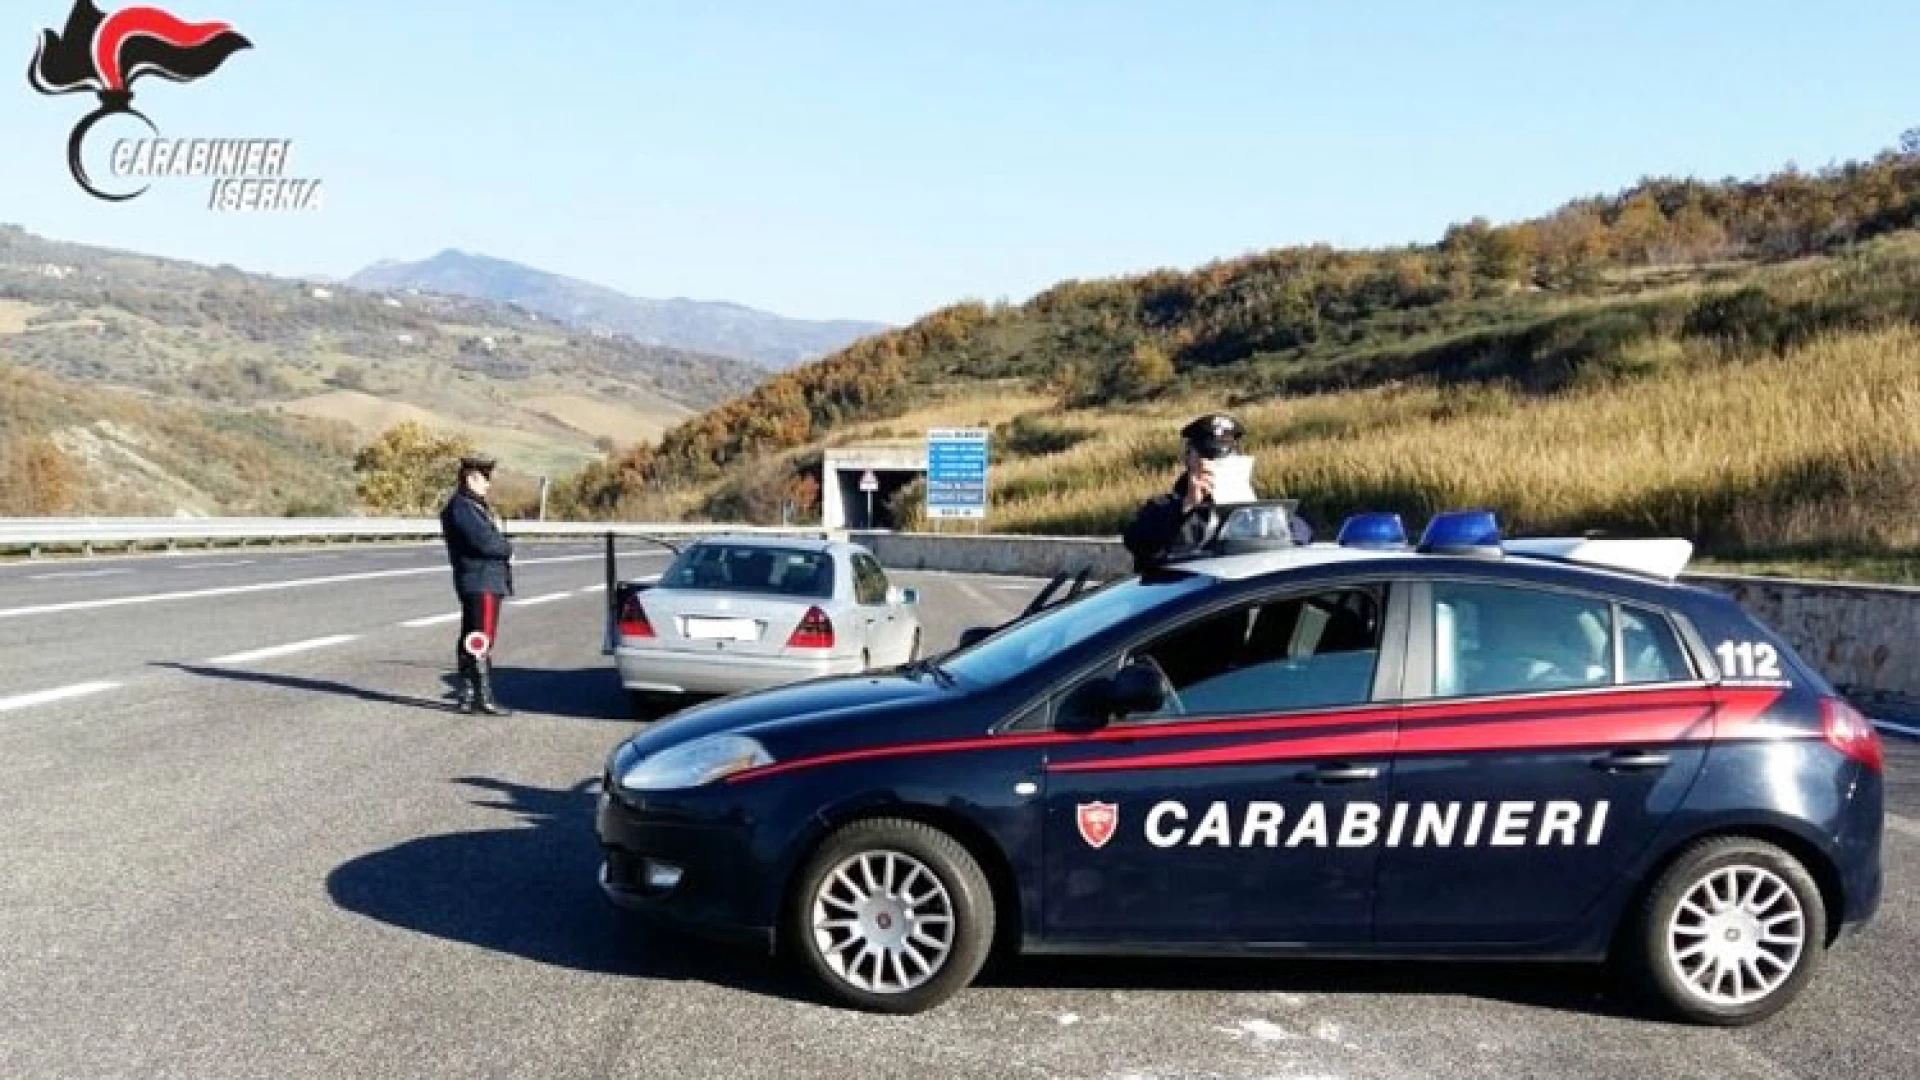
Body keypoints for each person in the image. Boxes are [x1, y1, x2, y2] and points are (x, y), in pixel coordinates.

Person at [1122, 413, 1310, 572]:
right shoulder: (1164, 506)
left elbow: (1302, 535)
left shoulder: (1253, 503)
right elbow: (1138, 542)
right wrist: (1188, 506)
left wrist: (1254, 513)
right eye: (1207, 455)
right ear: (1187, 457)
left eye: (1225, 456)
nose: (1214, 464)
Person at [439, 454, 514, 715]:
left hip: (478, 579)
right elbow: (484, 542)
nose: (488, 485)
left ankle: (468, 695)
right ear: (470, 478)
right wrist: (507, 548)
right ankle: (483, 697)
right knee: (482, 638)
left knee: (472, 637)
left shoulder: (470, 506)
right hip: (481, 580)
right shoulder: (463, 508)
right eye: (484, 479)